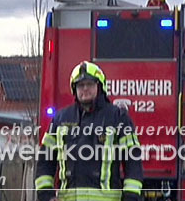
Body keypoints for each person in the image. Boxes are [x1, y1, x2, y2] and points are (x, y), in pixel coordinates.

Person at [35, 61, 143, 201]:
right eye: (80, 85)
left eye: (90, 84)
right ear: (74, 89)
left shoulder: (118, 117)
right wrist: (45, 194)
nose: (85, 89)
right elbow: (45, 160)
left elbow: (132, 160)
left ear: (100, 86)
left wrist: (131, 195)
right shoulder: (61, 119)